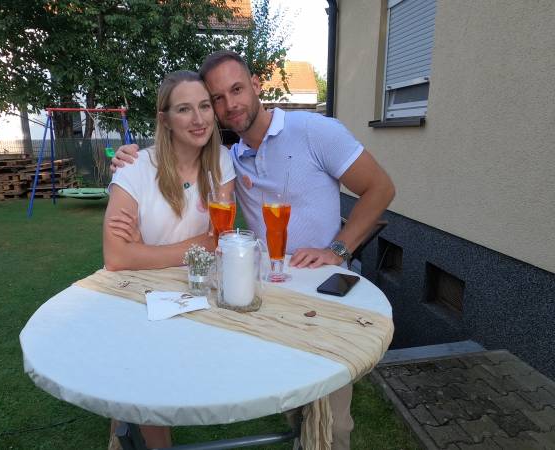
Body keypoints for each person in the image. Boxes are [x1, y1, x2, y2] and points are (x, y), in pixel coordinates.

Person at [111, 51, 395, 450]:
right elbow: (179, 159)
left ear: (257, 85)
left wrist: (337, 248)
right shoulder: (233, 158)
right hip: (270, 291)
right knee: (294, 401)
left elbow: (380, 188)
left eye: (237, 89)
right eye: (218, 98)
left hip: (321, 290)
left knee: (330, 422)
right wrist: (130, 158)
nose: (230, 105)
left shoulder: (315, 130)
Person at [104, 70, 236, 448]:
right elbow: (116, 257)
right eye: (184, 109)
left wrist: (143, 250)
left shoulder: (221, 161)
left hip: (195, 289)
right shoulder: (134, 168)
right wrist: (198, 245)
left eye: (204, 106)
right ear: (165, 119)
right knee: (148, 382)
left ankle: (122, 422)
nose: (198, 119)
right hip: (140, 293)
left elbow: (222, 239)